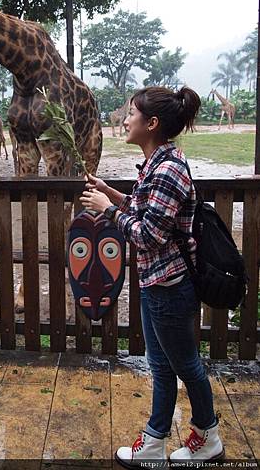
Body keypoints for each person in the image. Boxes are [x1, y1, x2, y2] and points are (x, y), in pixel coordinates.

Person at [80, 86, 225, 467]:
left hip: (170, 286)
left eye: (132, 113)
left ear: (152, 123)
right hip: (156, 283)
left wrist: (107, 212)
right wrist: (110, 193)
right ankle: (156, 441)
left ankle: (207, 436)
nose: (126, 120)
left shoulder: (168, 170)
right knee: (161, 366)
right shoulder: (158, 165)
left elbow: (148, 235)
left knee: (186, 366)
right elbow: (146, 211)